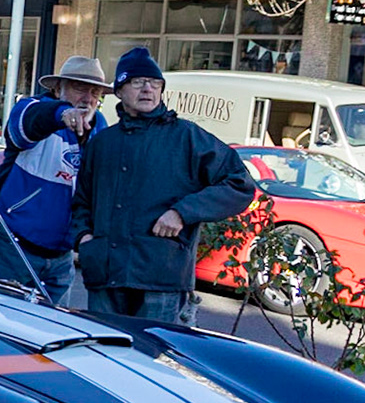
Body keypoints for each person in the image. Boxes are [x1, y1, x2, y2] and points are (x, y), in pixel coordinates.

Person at [72, 47, 256, 326]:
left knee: (153, 361)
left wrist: (183, 212)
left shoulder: (187, 137)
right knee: (104, 360)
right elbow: (81, 201)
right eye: (137, 82)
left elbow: (240, 185)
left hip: (161, 278)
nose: (148, 89)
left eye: (155, 83)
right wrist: (84, 240)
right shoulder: (102, 143)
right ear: (120, 91)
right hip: (105, 275)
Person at [0, 55, 110, 306]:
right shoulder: (31, 108)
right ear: (57, 88)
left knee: (50, 333)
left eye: (95, 92)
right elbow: (28, 122)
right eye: (79, 88)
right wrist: (62, 114)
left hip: (61, 256)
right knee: (4, 325)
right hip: (14, 245)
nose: (88, 98)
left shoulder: (99, 128)